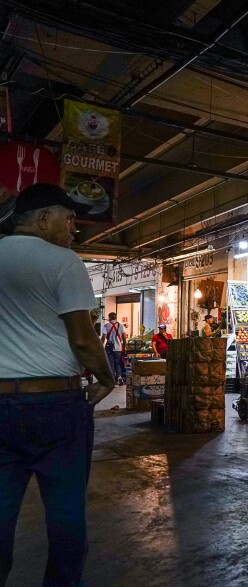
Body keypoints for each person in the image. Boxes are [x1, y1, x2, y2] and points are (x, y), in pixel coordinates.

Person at [0, 183, 116, 586]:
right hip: (54, 405)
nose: (73, 230)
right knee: (65, 511)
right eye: (69, 220)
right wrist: (106, 377)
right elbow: (83, 338)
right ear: (44, 219)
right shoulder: (63, 262)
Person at [100, 311, 128, 386]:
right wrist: (124, 347)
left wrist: (101, 346)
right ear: (116, 317)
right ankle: (119, 377)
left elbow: (103, 337)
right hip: (118, 348)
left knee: (111, 364)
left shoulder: (106, 326)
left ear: (109, 318)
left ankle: (112, 381)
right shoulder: (121, 326)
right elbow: (124, 338)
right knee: (118, 364)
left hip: (109, 348)